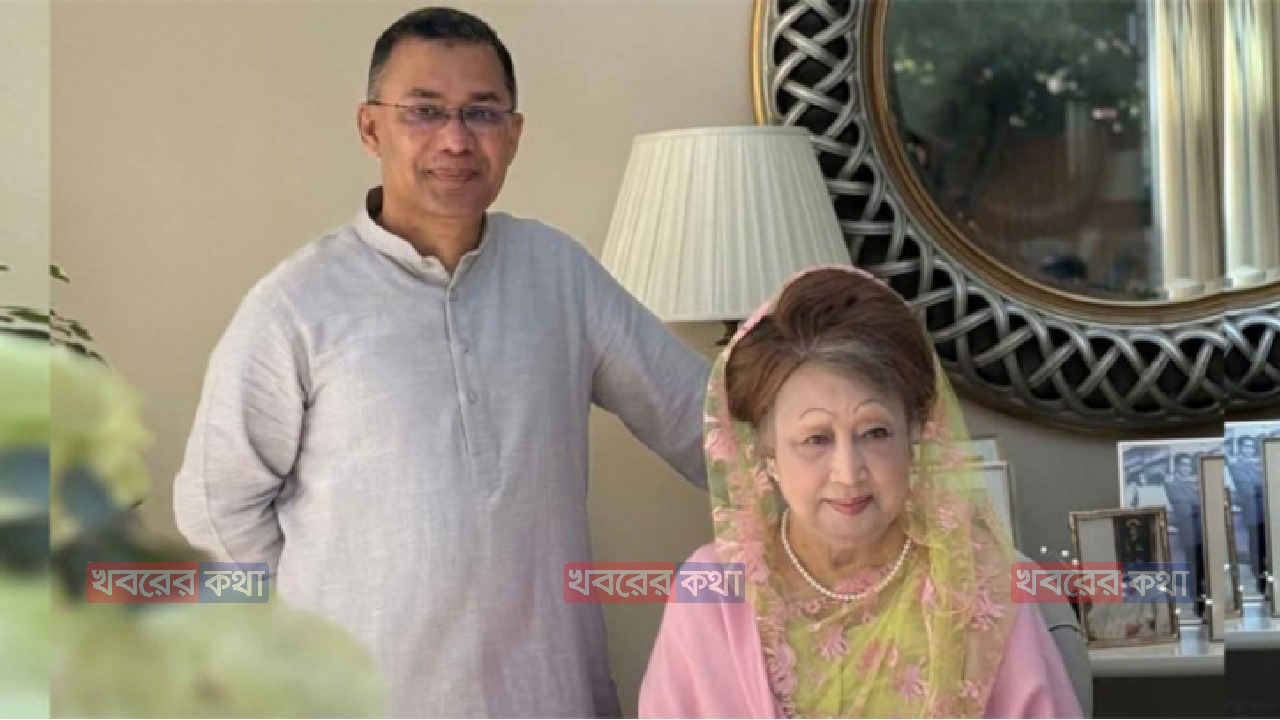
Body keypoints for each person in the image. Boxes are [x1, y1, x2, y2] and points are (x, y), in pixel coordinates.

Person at [173, 7, 709, 717]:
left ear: (514, 133)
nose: (455, 140)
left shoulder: (559, 275)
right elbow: (215, 508)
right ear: (371, 128)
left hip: (550, 694)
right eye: (423, 112)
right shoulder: (297, 304)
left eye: (481, 113)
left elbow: (702, 423)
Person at [639, 266, 1082, 718]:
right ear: (766, 451)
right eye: (816, 439)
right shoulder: (713, 590)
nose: (849, 474)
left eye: (875, 433)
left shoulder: (982, 582)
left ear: (914, 433)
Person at [1165, 452, 1206, 615]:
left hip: (1202, 531)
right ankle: (1197, 603)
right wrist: (1198, 503)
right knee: (1194, 568)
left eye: (1189, 465)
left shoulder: (1195, 483)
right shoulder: (1173, 485)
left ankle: (1204, 602)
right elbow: (1183, 509)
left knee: (1204, 568)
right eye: (1183, 465)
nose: (1187, 468)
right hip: (1189, 533)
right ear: (1177, 466)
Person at [1227, 435, 1267, 594]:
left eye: (1251, 446)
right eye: (1246, 446)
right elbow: (1247, 488)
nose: (1249, 450)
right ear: (1241, 448)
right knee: (1256, 544)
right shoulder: (1236, 465)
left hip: (1266, 510)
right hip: (1252, 512)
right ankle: (1259, 578)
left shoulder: (1260, 463)